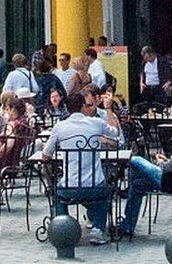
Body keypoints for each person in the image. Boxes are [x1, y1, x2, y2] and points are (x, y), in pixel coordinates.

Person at [42, 93, 121, 245]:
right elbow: (116, 132)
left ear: (66, 107)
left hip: (70, 186)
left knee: (57, 193)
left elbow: (46, 155)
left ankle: (62, 229)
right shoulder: (97, 123)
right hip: (94, 187)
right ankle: (98, 229)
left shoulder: (59, 126)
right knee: (104, 192)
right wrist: (108, 109)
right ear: (83, 106)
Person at [120, 103, 172, 236]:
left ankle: (122, 192)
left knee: (135, 160)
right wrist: (165, 160)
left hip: (170, 181)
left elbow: (171, 167)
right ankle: (127, 226)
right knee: (137, 186)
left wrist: (160, 163)